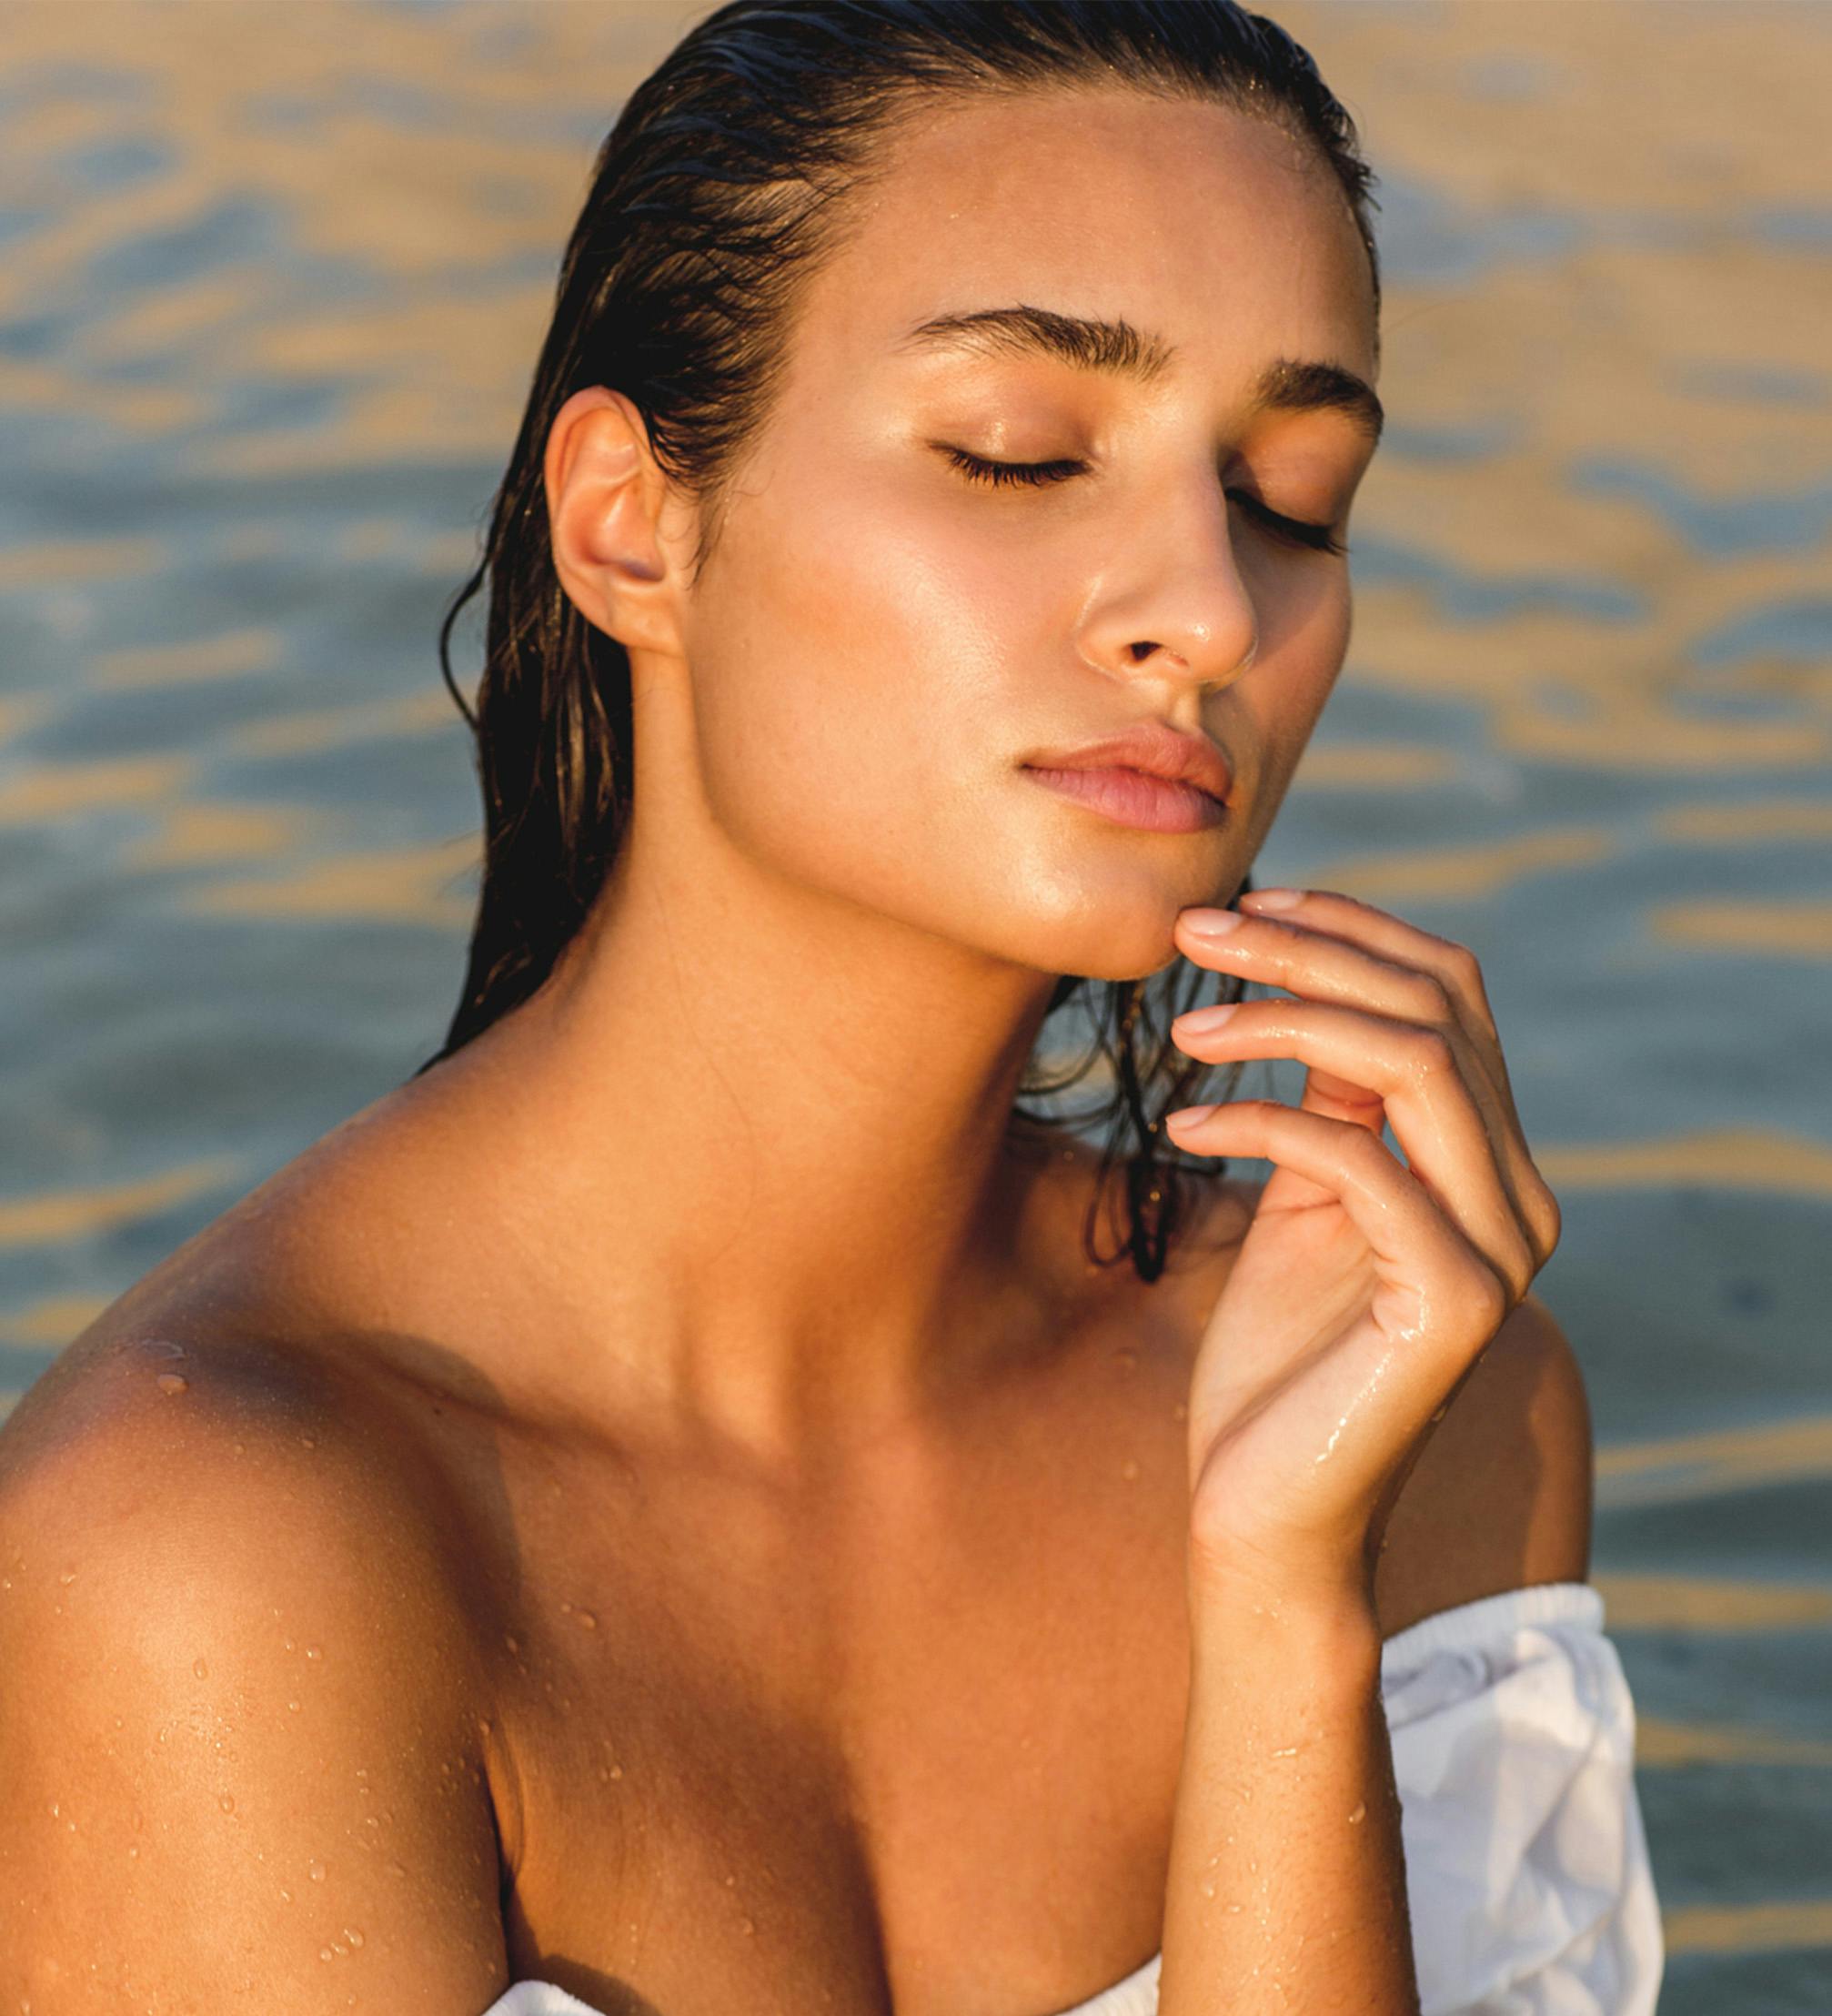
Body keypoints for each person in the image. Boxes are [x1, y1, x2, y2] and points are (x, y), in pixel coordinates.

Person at [0, 4, 1662, 2011]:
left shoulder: (1418, 1397)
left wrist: (1281, 1613)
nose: (1210, 610)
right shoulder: (215, 1553)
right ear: (632, 521)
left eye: (1292, 493)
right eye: (1017, 453)